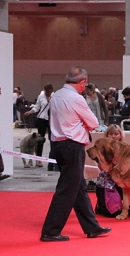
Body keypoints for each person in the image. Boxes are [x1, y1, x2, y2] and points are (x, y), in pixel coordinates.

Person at [40, 66, 111, 242]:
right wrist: (83, 125)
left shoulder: (56, 96)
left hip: (58, 144)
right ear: (83, 82)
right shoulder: (76, 99)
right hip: (72, 146)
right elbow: (94, 122)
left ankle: (91, 227)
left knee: (79, 188)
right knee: (66, 190)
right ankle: (50, 230)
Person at [94, 124, 130, 217]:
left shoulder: (126, 148)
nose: (113, 136)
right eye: (110, 134)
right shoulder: (102, 149)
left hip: (123, 179)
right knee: (113, 213)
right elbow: (102, 167)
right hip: (108, 183)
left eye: (116, 134)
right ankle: (100, 205)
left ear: (120, 135)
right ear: (107, 135)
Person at [25, 83, 53, 168]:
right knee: (40, 139)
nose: (48, 94)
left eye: (49, 93)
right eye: (47, 93)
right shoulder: (41, 96)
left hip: (51, 119)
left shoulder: (54, 96)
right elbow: (37, 107)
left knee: (52, 139)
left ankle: (52, 159)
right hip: (42, 118)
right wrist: (30, 112)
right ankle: (39, 159)